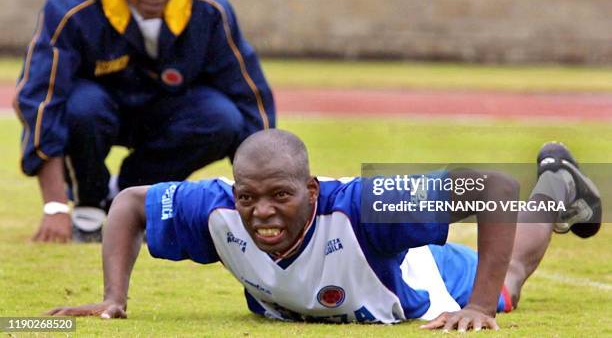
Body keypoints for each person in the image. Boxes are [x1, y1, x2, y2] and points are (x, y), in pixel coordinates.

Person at [46, 129, 601, 331]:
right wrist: (112, 299)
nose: (261, 211)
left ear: (311, 190)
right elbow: (129, 204)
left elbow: (495, 188)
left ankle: (557, 186)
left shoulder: (364, 204)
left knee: (511, 279)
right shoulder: (213, 209)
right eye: (248, 196)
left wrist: (478, 306)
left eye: (280, 195)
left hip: (420, 281)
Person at [13, 0, 275, 243]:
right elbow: (40, 98)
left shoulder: (209, 8)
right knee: (83, 106)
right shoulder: (72, 3)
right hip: (95, 116)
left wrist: (266, 196)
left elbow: (249, 96)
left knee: (223, 117)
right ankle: (89, 206)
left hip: (165, 115)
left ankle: (134, 197)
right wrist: (54, 206)